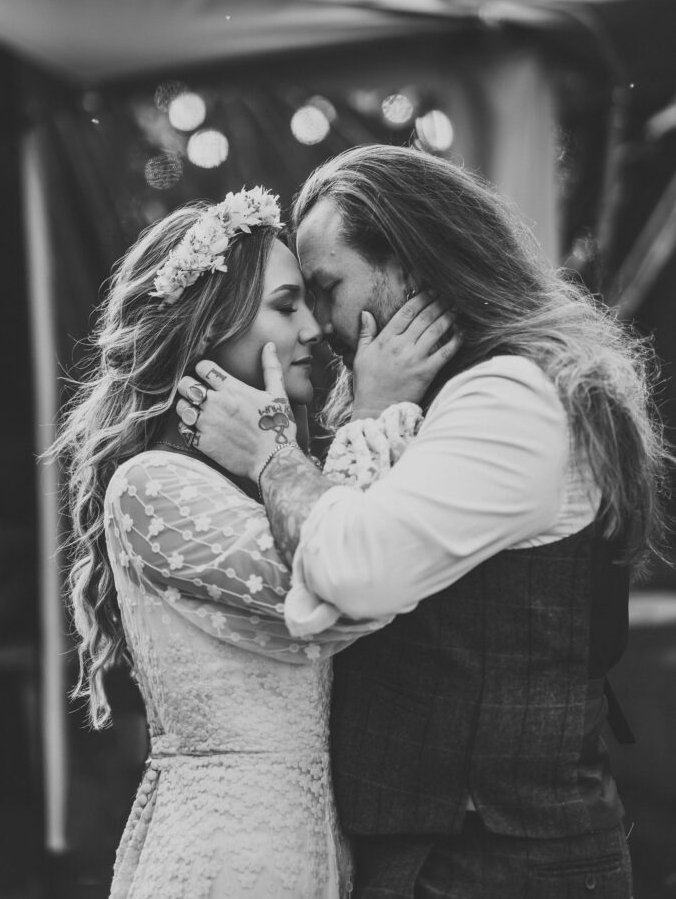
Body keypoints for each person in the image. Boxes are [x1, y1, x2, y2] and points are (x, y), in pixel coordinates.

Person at [178, 145, 673, 899]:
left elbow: (354, 569)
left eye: (326, 288)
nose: (318, 324)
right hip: (450, 854)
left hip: (495, 865)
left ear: (410, 262)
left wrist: (268, 457)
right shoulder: (449, 402)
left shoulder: (509, 397)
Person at [48, 186, 459, 899]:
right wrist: (373, 412)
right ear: (208, 328)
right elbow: (343, 595)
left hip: (308, 850)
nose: (315, 329)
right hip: (228, 857)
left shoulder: (256, 486)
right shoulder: (151, 485)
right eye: (286, 304)